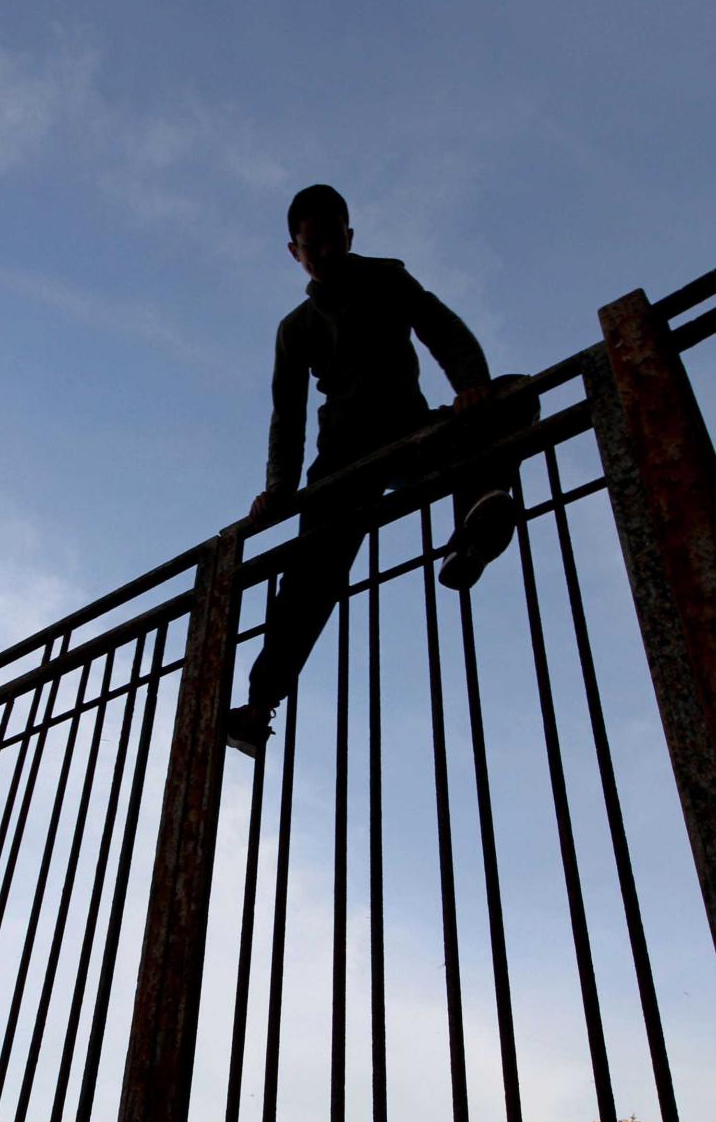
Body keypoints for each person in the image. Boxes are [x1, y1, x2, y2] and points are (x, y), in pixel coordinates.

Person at [226, 184, 535, 759]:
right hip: (342, 459)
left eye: (331, 239)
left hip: (410, 433)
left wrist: (471, 387)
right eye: (309, 245)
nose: (322, 252)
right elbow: (286, 413)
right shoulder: (296, 329)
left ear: (349, 235)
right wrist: (278, 488)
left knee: (515, 395)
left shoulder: (389, 280)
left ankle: (476, 521)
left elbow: (442, 328)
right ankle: (259, 704)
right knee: (310, 577)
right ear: (294, 251)